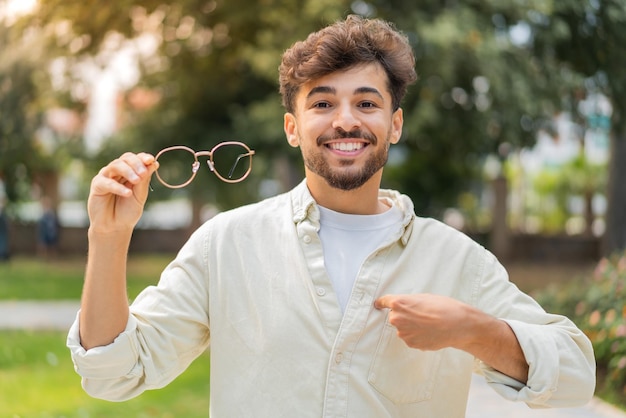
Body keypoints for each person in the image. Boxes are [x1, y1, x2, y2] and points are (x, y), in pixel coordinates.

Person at [67, 15, 595, 417]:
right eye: (322, 104)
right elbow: (114, 373)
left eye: (367, 104)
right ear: (294, 127)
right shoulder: (225, 244)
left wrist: (474, 330)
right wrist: (108, 239)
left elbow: (575, 374)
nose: (345, 120)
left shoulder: (457, 261)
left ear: (395, 124)